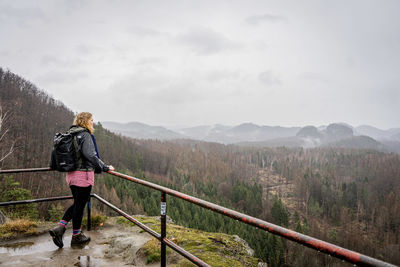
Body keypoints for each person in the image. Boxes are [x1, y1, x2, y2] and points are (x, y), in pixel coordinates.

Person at [49, 112, 114, 248]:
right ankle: (76, 236)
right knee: (79, 206)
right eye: (91, 120)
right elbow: (90, 154)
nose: (93, 122)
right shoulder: (84, 134)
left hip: (71, 175)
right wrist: (105, 167)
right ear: (85, 121)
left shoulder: (71, 133)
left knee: (77, 204)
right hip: (83, 175)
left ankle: (61, 228)